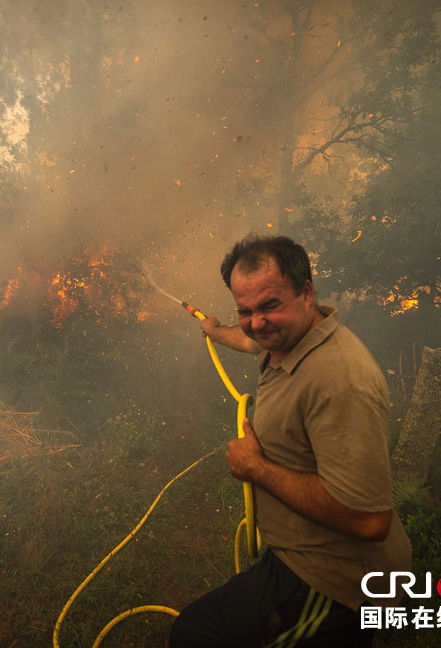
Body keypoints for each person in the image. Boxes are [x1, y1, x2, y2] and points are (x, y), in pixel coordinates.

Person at [169, 235, 411, 647]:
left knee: (194, 636)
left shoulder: (340, 380)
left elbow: (369, 520)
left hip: (336, 584)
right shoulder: (289, 340)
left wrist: (255, 468)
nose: (256, 322)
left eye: (269, 306)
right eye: (244, 310)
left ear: (306, 293)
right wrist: (216, 330)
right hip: (296, 556)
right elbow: (251, 340)